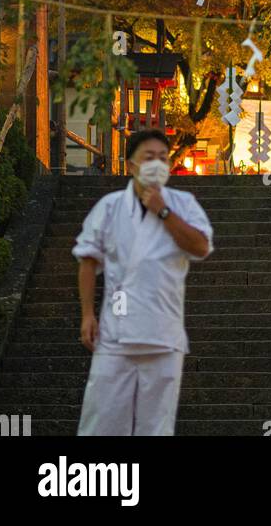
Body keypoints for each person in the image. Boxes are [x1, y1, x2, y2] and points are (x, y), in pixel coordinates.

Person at [73, 128, 213, 436]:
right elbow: (87, 259)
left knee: (156, 426)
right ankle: (104, 482)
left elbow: (201, 247)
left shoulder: (183, 203)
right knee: (102, 421)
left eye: (163, 158)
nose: (157, 164)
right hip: (115, 331)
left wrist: (162, 211)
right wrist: (87, 314)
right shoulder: (110, 207)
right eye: (149, 157)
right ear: (131, 164)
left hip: (163, 331)